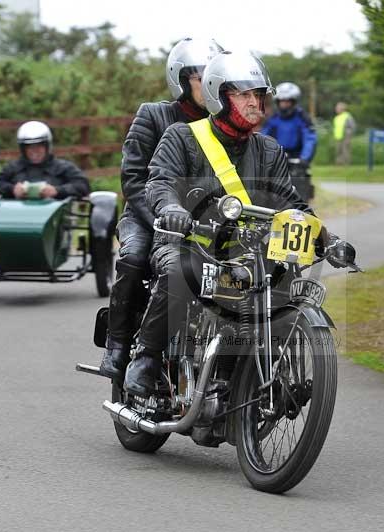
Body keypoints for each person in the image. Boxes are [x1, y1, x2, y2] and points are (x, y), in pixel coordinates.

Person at [123, 50, 324, 397]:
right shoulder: (181, 137)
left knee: (283, 278)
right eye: (244, 95)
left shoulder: (270, 151)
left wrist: (324, 235)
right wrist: (171, 208)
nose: (255, 103)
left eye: (259, 95)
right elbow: (159, 182)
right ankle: (147, 358)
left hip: (246, 252)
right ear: (218, 94)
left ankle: (237, 376)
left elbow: (289, 202)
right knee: (178, 269)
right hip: (190, 243)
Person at [98, 37, 224, 380]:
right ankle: (119, 343)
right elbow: (134, 180)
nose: (210, 85)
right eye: (201, 77)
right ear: (183, 80)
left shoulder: (223, 127)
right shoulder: (153, 115)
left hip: (203, 222)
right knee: (135, 256)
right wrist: (160, 218)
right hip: (146, 216)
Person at [0, 121, 90, 200]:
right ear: (23, 149)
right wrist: (12, 190)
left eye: (39, 146)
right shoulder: (12, 168)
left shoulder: (64, 167)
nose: (35, 151)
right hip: (19, 219)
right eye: (29, 147)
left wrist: (57, 191)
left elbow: (83, 186)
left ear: (47, 146)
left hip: (56, 221)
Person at [261, 82, 317, 168]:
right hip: (276, 159)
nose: (284, 104)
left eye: (287, 101)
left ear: (294, 102)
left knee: (301, 179)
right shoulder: (272, 119)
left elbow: (309, 138)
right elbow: (263, 138)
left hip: (297, 159)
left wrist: (305, 158)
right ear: (278, 102)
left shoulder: (303, 118)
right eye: (282, 101)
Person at [333, 102, 356, 166]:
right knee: (338, 151)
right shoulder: (336, 117)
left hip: (346, 136)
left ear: (342, 109)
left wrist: (349, 135)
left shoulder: (347, 116)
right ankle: (339, 164)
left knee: (345, 150)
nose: (336, 109)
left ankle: (346, 164)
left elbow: (352, 126)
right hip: (338, 137)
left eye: (337, 108)